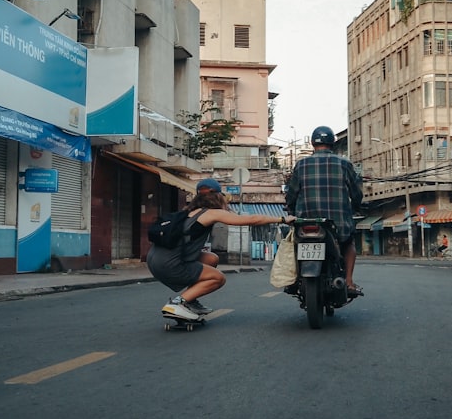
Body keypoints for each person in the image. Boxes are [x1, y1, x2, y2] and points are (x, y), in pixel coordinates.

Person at [148, 187, 296, 321]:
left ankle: (190, 301)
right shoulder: (211, 213)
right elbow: (251, 219)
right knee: (218, 278)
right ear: (218, 196)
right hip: (170, 264)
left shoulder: (188, 212)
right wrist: (282, 219)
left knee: (212, 259)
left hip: (154, 260)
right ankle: (177, 303)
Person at [285, 125, 364, 297]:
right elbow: (356, 193)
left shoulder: (301, 165)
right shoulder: (345, 164)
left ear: (313, 143)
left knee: (294, 244)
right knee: (349, 243)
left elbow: (292, 193)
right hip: (338, 223)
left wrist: (290, 209)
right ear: (333, 144)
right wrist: (356, 206)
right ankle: (349, 281)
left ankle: (293, 279)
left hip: (305, 222)